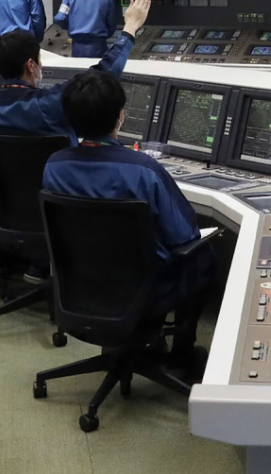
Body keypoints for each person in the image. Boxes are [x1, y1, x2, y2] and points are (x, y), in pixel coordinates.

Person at [43, 69, 215, 373]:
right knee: (204, 257)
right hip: (144, 292)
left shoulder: (54, 166)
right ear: (120, 116)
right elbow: (183, 235)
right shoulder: (144, 170)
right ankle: (182, 357)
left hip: (79, 286)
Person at [0, 0, 151, 283]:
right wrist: (129, 30)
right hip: (66, 214)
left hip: (10, 214)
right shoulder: (49, 106)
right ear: (32, 66)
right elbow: (101, 75)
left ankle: (34, 263)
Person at [55, 0, 121, 58]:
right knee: (96, 72)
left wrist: (72, 27)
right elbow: (111, 25)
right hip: (98, 47)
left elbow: (59, 18)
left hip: (76, 47)